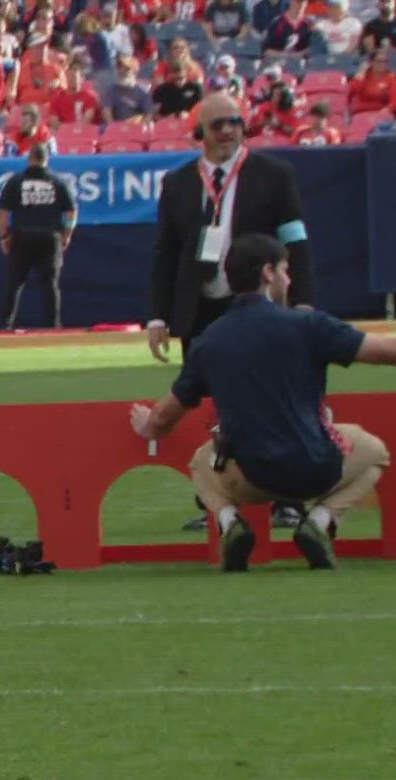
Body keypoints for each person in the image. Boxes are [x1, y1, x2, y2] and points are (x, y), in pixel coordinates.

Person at [132, 234, 396, 571]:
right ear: (268, 273)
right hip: (316, 467)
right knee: (374, 451)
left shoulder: (209, 342)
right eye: (285, 270)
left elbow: (164, 420)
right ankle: (319, 521)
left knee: (201, 461)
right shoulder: (309, 325)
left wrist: (145, 425)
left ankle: (230, 521)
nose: (290, 278)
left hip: (251, 476)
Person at [149, 93, 313, 530]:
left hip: (259, 307)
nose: (227, 131)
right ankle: (219, 501)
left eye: (234, 122)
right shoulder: (179, 182)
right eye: (218, 124)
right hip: (200, 307)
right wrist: (159, 315)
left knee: (273, 399)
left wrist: (301, 301)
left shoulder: (273, 176)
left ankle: (287, 498)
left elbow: (296, 241)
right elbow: (166, 253)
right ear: (199, 132)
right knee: (216, 406)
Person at [0, 143, 77, 330]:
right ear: (46, 159)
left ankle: (5, 326)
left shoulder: (16, 181)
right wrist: (67, 234)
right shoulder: (57, 182)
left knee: (14, 283)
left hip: (22, 236)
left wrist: (3, 237)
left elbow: (3, 212)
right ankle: (53, 327)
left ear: (29, 158)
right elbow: (72, 210)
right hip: (50, 237)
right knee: (50, 285)